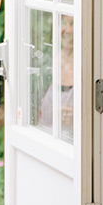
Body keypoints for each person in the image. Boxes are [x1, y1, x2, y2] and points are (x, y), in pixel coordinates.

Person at [37, 14, 75, 142]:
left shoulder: (89, 63)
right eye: (64, 23)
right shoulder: (49, 60)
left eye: (73, 23)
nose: (68, 30)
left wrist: (78, 116)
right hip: (47, 141)